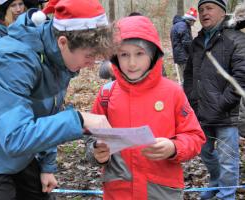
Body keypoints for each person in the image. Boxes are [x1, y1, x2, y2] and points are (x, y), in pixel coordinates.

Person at [0, 0, 114, 199]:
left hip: (19, 149)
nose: (91, 65)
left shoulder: (57, 57)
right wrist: (78, 119)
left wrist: (47, 166)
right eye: (89, 57)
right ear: (63, 42)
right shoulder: (13, 59)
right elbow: (15, 137)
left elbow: (48, 110)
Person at [85, 15, 206, 200]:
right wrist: (96, 153)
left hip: (161, 191)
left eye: (139, 53)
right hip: (118, 191)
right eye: (124, 54)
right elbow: (91, 138)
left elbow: (195, 137)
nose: (132, 63)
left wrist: (174, 147)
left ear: (152, 54)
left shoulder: (172, 92)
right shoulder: (106, 94)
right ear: (115, 57)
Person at [183, 0, 245, 199]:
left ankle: (226, 195)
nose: (204, 13)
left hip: (227, 112)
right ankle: (217, 181)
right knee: (205, 152)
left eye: (209, 8)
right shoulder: (197, 42)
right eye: (201, 10)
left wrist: (222, 103)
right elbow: (190, 75)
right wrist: (192, 99)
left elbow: (241, 77)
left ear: (222, 12)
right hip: (200, 110)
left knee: (228, 159)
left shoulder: (236, 39)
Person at [170, 7, 197, 84]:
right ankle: (185, 94)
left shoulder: (178, 25)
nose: (193, 24)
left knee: (183, 77)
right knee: (187, 78)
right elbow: (186, 43)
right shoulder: (183, 26)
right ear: (190, 20)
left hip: (179, 55)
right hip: (183, 57)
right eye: (194, 21)